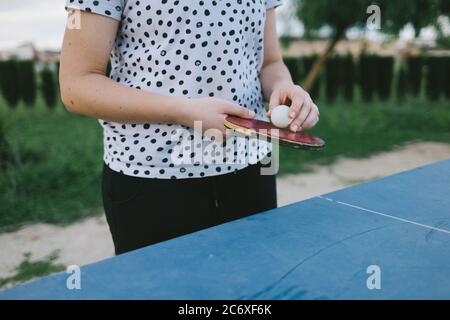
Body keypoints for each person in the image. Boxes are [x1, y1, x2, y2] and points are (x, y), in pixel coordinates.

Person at [60, 0, 320, 255]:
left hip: (253, 167)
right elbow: (76, 85)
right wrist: (184, 110)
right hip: (152, 178)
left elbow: (270, 63)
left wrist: (283, 87)